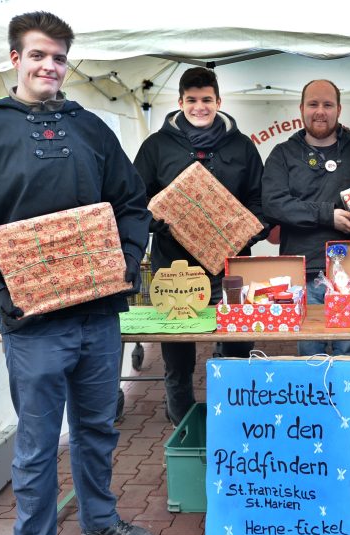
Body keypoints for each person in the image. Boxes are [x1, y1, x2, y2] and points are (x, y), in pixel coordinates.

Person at [0, 12, 154, 535]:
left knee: (97, 430)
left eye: (58, 57)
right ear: (15, 60)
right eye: (37, 55)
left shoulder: (90, 127)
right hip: (31, 323)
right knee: (35, 442)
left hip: (97, 316)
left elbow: (131, 202)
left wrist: (125, 260)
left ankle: (99, 524)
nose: (49, 66)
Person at [134, 67, 266, 426]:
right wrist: (153, 222)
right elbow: (134, 199)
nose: (199, 106)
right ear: (180, 102)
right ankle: (182, 420)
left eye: (206, 99)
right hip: (174, 268)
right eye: (191, 100)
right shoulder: (156, 147)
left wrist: (251, 231)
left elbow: (258, 198)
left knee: (236, 347)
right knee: (177, 353)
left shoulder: (242, 146)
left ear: (219, 101)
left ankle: (235, 418)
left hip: (233, 266)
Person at [262, 79, 350, 356]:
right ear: (301, 108)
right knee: (310, 355)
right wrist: (327, 215)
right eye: (313, 104)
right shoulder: (283, 154)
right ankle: (316, 400)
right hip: (304, 273)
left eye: (327, 104)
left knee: (349, 353)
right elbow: (273, 204)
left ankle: (346, 400)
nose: (320, 111)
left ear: (339, 109)